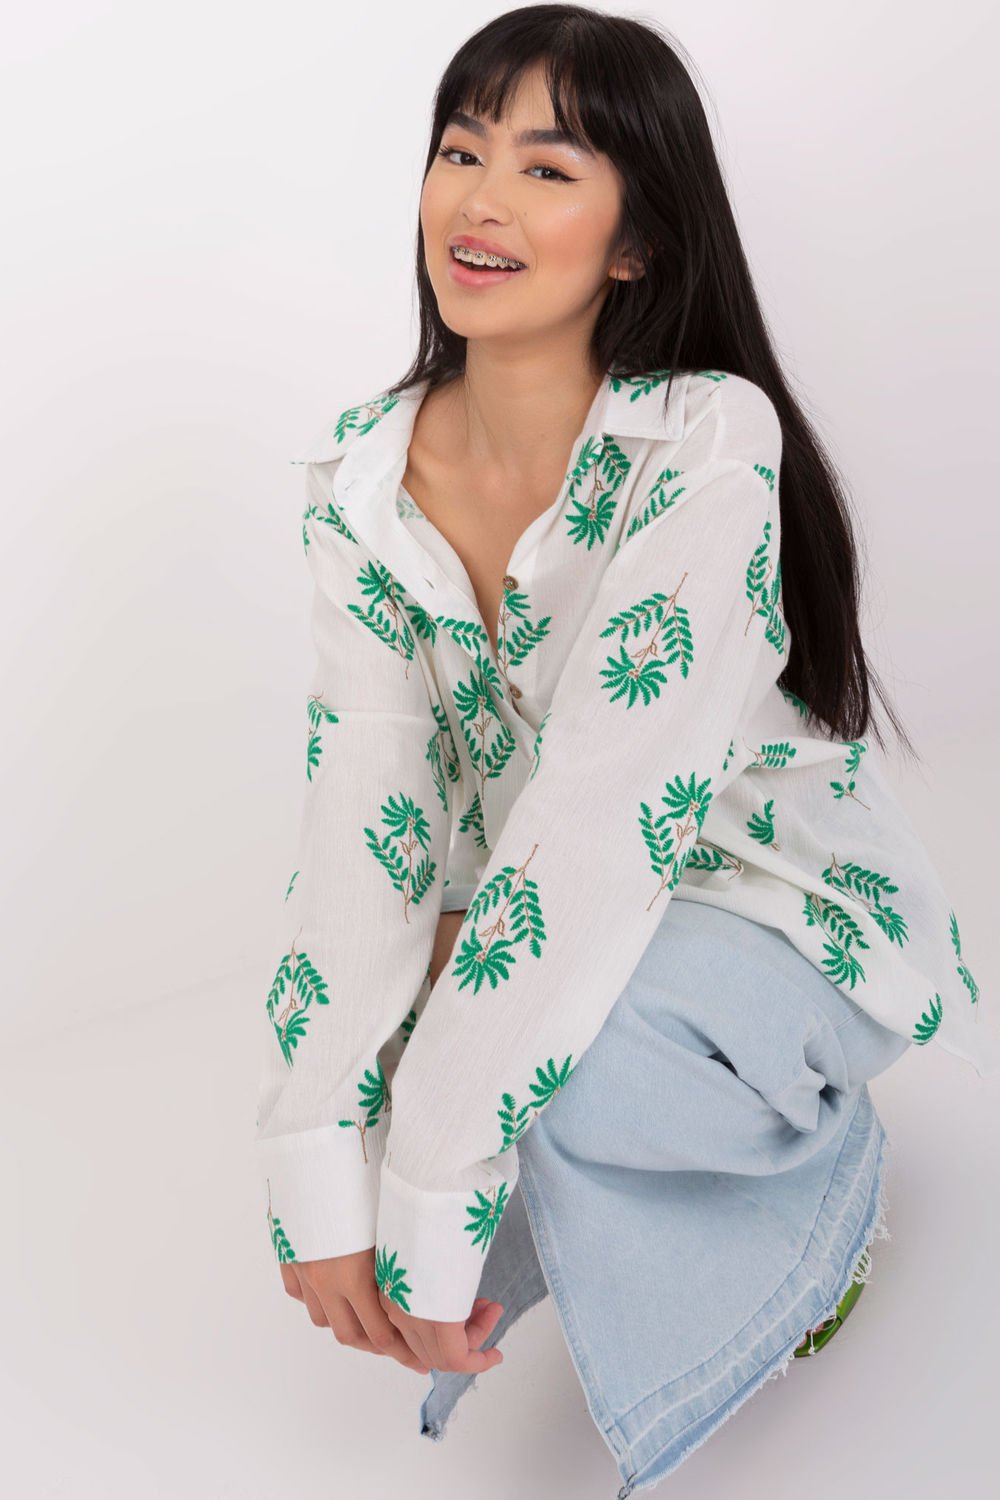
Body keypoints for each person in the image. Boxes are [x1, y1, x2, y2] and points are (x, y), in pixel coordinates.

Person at [254, 6, 999, 1491]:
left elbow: (609, 819)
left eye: (547, 170)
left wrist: (434, 1189)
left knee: (554, 1061)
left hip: (754, 907)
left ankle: (819, 1194)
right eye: (461, 152)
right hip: (553, 891)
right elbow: (362, 823)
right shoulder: (364, 480)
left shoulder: (704, 442)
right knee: (430, 1008)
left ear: (637, 242)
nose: (480, 201)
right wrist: (315, 1161)